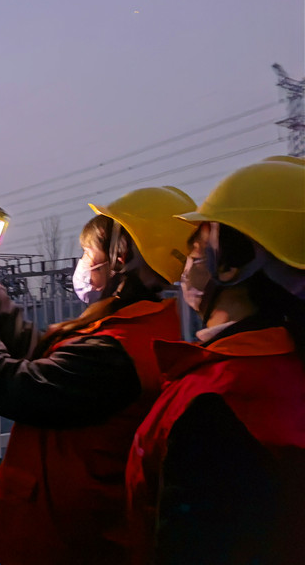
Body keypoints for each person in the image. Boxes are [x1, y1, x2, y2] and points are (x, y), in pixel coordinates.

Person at [0, 186, 196, 564]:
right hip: (75, 531)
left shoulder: (116, 353)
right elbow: (46, 356)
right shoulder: (135, 329)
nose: (82, 262)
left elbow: (9, 385)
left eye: (87, 252)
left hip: (69, 542)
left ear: (121, 256)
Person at [125, 156, 305, 565]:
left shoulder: (215, 402)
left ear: (233, 263)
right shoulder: (286, 366)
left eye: (196, 248)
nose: (187, 265)